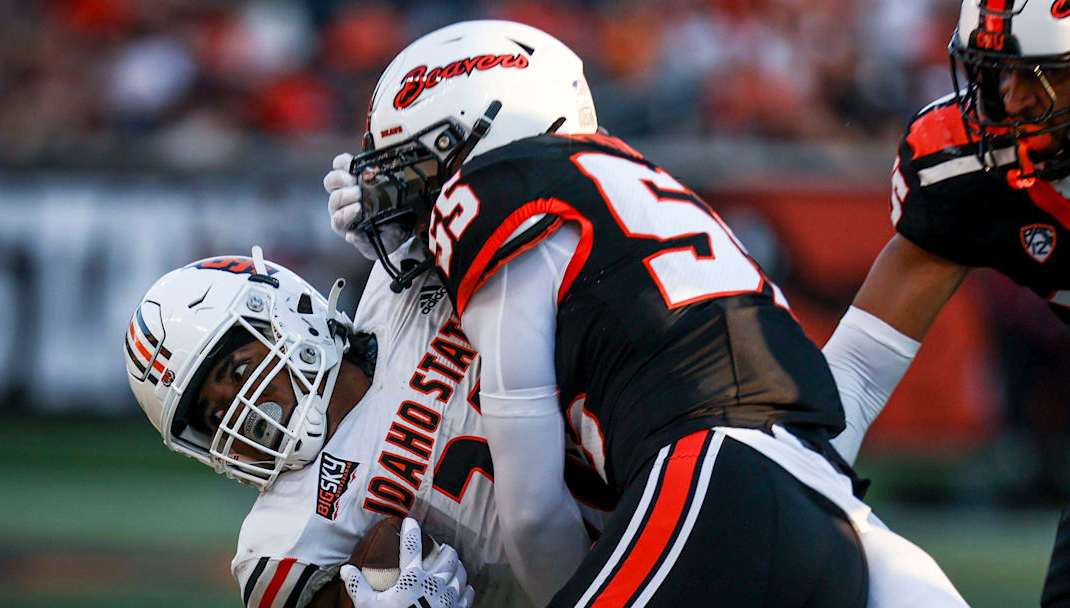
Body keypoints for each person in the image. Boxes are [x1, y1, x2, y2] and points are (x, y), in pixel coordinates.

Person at [325, 18, 969, 608]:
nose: (411, 205)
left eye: (418, 172)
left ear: (491, 140)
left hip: (707, 483)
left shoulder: (495, 198)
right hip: (828, 497)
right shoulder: (639, 189)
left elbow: (531, 512)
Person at [125, 245, 605, 607]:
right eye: (212, 417)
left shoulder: (407, 275)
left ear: (285, 317)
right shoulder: (281, 542)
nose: (239, 413)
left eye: (237, 371)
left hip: (633, 465)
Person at [816, 2, 1070, 605]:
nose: (1010, 100)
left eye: (1040, 73)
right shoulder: (968, 169)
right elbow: (856, 368)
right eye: (995, 71)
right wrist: (797, 474)